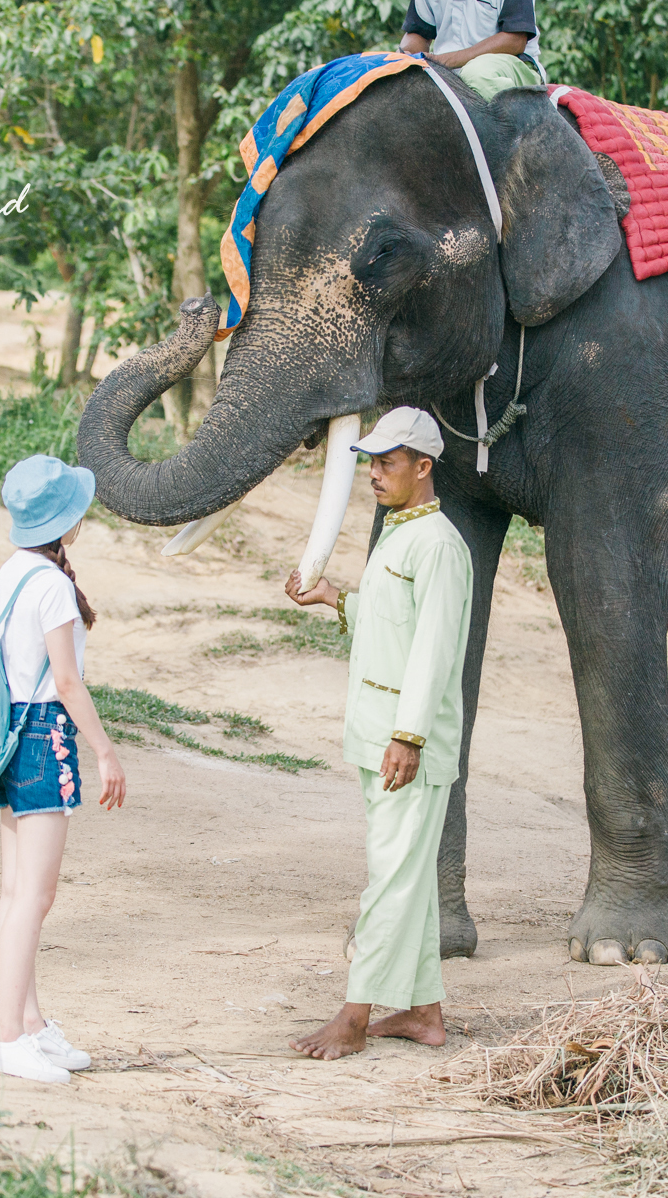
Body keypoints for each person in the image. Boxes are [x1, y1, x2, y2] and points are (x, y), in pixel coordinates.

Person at [284, 407, 474, 1060]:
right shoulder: (401, 533)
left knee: (390, 880)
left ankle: (354, 1015)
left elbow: (434, 650)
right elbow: (393, 623)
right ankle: (423, 1013)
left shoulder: (441, 545)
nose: (374, 474)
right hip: (381, 738)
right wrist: (336, 598)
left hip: (408, 749)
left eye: (388, 462)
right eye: (370, 461)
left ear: (424, 467)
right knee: (407, 879)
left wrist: (410, 737)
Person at [0, 455, 128, 1084]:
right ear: (65, 521)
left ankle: (30, 1025)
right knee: (34, 898)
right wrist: (103, 751)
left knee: (17, 894)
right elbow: (66, 681)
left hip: (9, 734)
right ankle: (6, 1036)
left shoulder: (11, 573)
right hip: (43, 735)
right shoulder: (52, 585)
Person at [399, 0, 544, 102]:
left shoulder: (445, 62)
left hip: (514, 67)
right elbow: (417, 33)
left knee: (476, 75)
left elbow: (515, 41)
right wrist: (406, 59)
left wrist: (444, 61)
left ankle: (518, 138)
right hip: (446, 72)